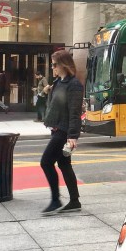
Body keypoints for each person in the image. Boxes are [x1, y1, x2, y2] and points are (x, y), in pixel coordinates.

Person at [40, 50, 83, 215]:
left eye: (54, 64)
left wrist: (73, 136)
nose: (52, 68)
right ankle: (74, 201)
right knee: (64, 165)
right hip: (56, 128)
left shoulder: (74, 85)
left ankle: (56, 199)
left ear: (64, 64)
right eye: (52, 65)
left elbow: (74, 112)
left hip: (64, 132)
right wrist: (45, 92)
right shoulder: (57, 83)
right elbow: (52, 106)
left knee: (45, 162)